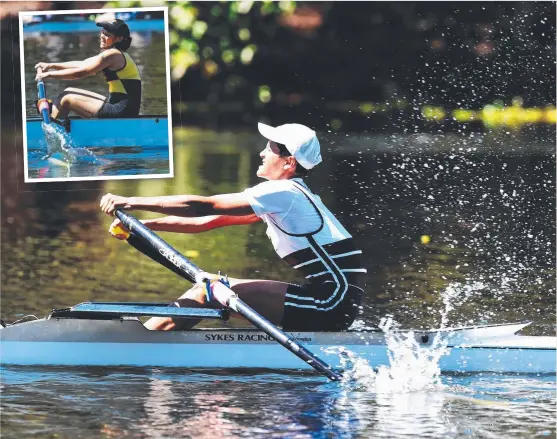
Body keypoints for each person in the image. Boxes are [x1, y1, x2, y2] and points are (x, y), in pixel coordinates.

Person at [100, 123, 366, 331]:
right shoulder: (289, 196)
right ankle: (154, 337)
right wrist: (143, 226)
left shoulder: (284, 193)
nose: (262, 153)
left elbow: (205, 206)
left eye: (270, 148)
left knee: (209, 291)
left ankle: (140, 345)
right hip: (334, 300)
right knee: (213, 289)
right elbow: (210, 222)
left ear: (289, 162)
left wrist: (131, 201)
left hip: (331, 303)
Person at [34, 18, 141, 120]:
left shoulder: (112, 54)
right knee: (68, 91)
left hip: (121, 111)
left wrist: (49, 75)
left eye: (107, 35)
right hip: (121, 106)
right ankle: (56, 120)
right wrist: (51, 66)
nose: (102, 36)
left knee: (66, 98)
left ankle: (51, 129)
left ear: (119, 38)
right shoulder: (116, 53)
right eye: (102, 32)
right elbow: (83, 64)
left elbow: (81, 73)